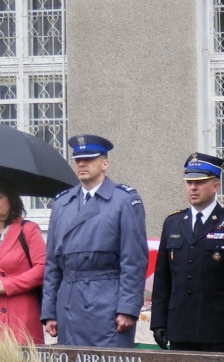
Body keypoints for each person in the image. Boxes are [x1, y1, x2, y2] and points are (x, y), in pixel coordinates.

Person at [41, 134, 148, 347]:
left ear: (104, 163)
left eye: (89, 159)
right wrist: (49, 311)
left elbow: (134, 261)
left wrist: (127, 308)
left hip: (107, 303)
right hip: (69, 303)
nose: (82, 164)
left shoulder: (124, 200)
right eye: (78, 160)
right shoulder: (62, 203)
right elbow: (52, 263)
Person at [150, 153, 224, 352]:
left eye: (200, 182)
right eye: (189, 183)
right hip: (180, 325)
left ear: (216, 186)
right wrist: (158, 322)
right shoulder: (173, 223)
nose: (193, 188)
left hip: (218, 327)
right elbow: (163, 279)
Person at [0, 179, 46, 344]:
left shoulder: (28, 229)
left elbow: (42, 268)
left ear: (12, 199)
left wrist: (8, 285)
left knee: (24, 358)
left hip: (22, 315)